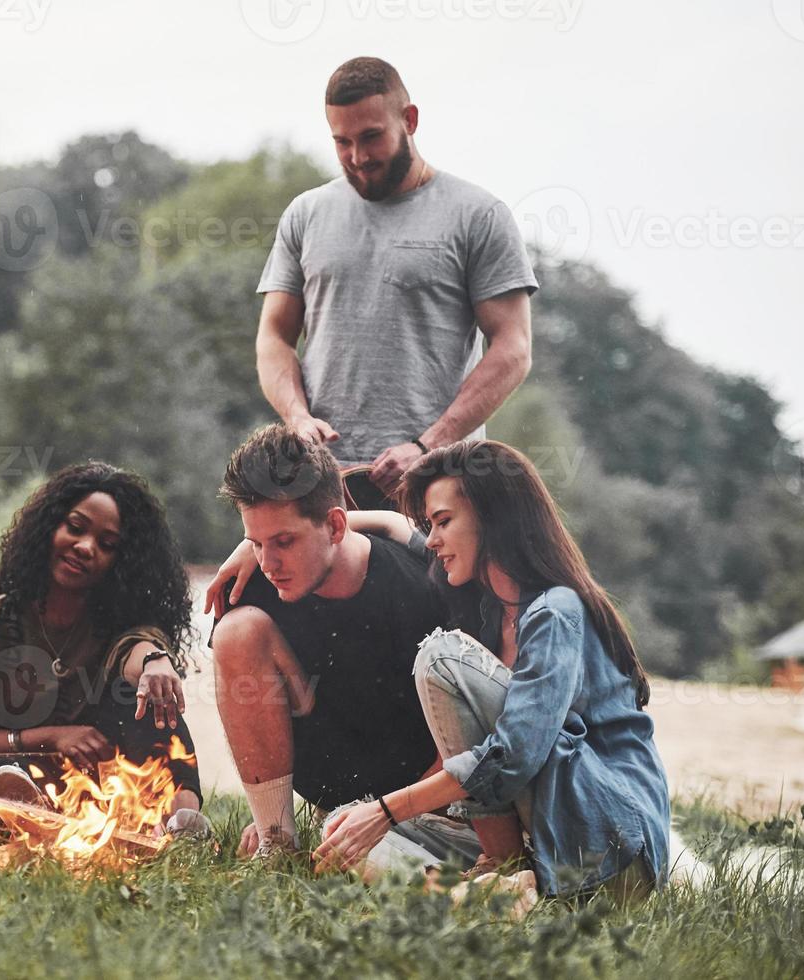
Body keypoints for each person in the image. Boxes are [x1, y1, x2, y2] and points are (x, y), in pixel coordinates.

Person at [313, 440, 670, 900]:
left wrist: (387, 809)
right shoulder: (485, 610)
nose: (434, 539)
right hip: (546, 849)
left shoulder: (554, 611)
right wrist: (262, 544)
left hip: (612, 849)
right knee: (342, 828)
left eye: (443, 521)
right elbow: (394, 526)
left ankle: (499, 868)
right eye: (430, 525)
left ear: (495, 518)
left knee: (440, 656)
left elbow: (515, 754)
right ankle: (483, 897)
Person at [256, 56, 537, 506]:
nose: (358, 157)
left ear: (409, 120)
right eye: (342, 142)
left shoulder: (478, 215)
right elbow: (273, 335)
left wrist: (428, 446)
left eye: (371, 137)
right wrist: (296, 417)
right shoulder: (306, 214)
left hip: (439, 486)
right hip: (324, 487)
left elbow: (514, 348)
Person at [210, 423, 482, 869]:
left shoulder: (419, 585)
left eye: (284, 542)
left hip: (426, 799)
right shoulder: (256, 580)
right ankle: (275, 843)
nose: (268, 562)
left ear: (336, 525)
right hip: (335, 784)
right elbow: (247, 695)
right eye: (255, 542)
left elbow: (469, 732)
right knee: (236, 631)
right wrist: (271, 811)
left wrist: (387, 814)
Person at [0, 463, 208, 836]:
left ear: (121, 563)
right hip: (2, 782)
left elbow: (136, 647)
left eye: (107, 545)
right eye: (75, 527)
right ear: (48, 528)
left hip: (96, 793)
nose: (85, 547)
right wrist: (53, 736)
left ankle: (180, 825)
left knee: (145, 700)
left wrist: (155, 662)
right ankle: (31, 817)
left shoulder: (118, 627)